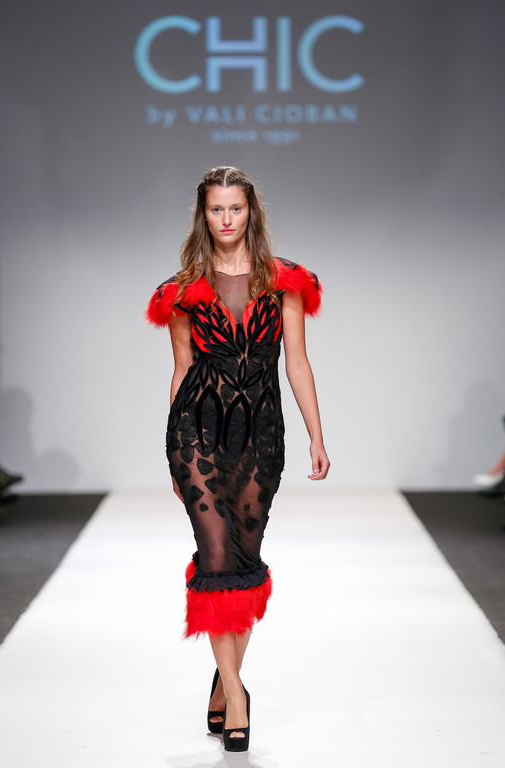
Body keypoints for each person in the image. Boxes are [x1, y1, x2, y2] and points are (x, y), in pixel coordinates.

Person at [146, 166, 330, 752]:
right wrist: (172, 450)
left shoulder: (283, 282)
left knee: (244, 559)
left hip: (260, 438)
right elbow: (181, 369)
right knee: (217, 557)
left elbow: (296, 362)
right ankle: (237, 694)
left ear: (252, 212)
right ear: (202, 216)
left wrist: (317, 435)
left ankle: (223, 681)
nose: (226, 219)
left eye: (236, 208)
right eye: (216, 209)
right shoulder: (182, 291)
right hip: (195, 436)